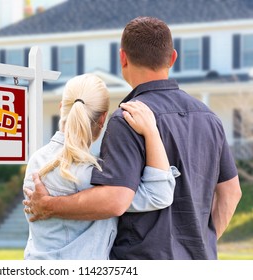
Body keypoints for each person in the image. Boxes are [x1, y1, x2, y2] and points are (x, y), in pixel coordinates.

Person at [24, 16, 242, 259]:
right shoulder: (209, 118)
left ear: (123, 58)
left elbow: (115, 199)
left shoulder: (127, 118)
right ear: (172, 58)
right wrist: (201, 245)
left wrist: (49, 205)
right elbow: (231, 193)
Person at [23, 73, 179, 260]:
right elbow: (159, 193)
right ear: (103, 119)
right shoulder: (92, 174)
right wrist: (151, 132)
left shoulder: (37, 160)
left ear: (61, 108)